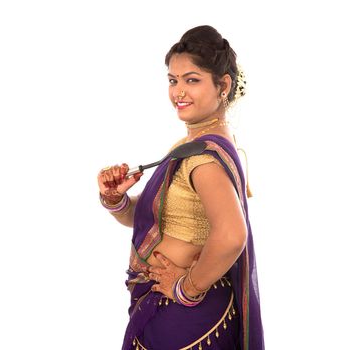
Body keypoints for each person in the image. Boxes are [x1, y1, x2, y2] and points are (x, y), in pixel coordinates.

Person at [97, 25, 264, 350]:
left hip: (187, 320)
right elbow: (161, 221)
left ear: (223, 85)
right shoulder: (193, 145)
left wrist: (186, 287)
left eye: (192, 80)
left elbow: (232, 235)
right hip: (173, 312)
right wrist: (117, 200)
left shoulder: (205, 160)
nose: (179, 92)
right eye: (173, 81)